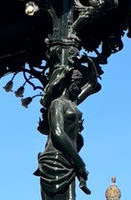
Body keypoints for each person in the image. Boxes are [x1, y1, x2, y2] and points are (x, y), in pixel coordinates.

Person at [36, 71, 92, 200]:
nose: (78, 88)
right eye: (76, 83)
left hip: (69, 160)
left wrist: (90, 65)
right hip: (55, 160)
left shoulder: (73, 102)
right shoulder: (57, 103)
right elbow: (58, 133)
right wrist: (79, 161)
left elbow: (92, 83)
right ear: (67, 83)